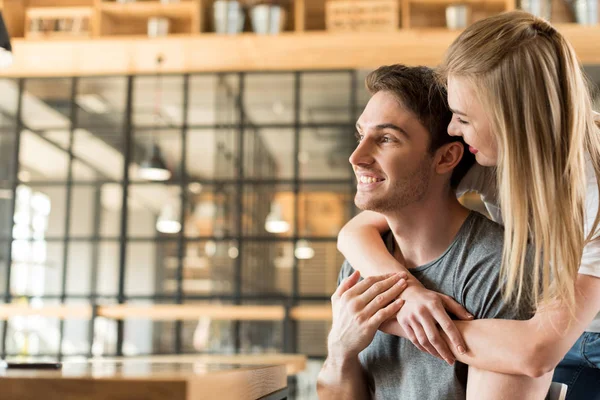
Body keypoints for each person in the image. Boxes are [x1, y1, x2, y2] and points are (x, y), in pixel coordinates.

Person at [337, 11, 600, 399]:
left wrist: (395, 319)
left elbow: (536, 352)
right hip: (541, 332)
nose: (454, 130)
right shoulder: (490, 152)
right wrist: (408, 296)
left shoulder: (592, 187)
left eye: (463, 117)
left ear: (514, 120)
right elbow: (357, 229)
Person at [317, 64, 551, 399]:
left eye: (385, 139)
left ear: (446, 158)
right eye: (360, 135)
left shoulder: (501, 270)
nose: (357, 157)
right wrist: (341, 350)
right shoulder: (362, 265)